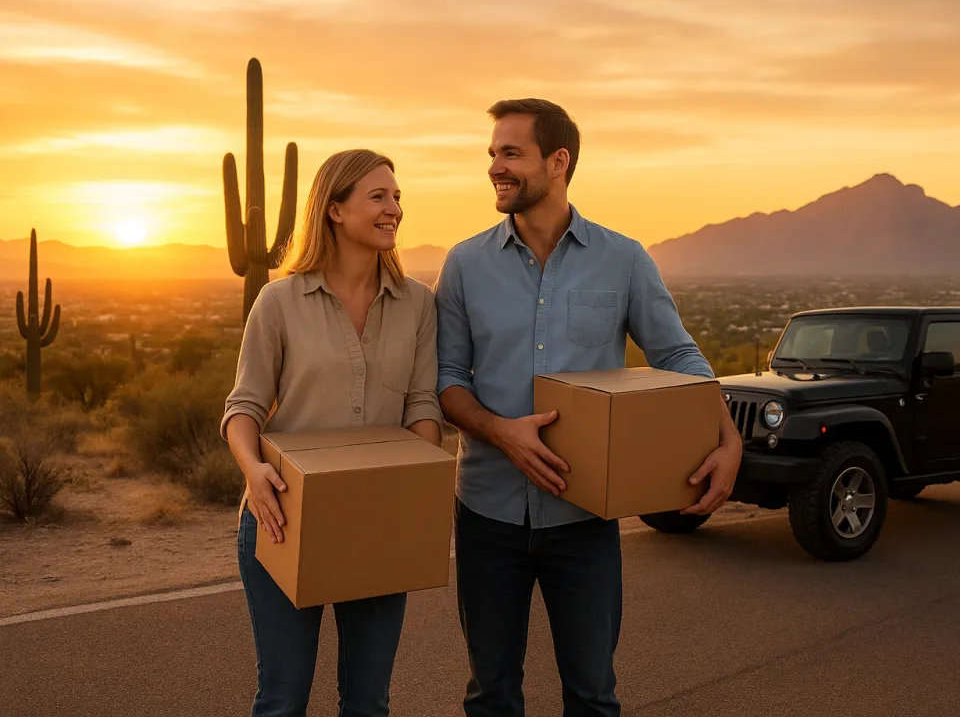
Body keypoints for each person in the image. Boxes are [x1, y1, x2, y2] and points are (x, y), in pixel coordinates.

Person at [434, 99, 743, 715]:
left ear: (559, 160)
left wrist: (728, 440)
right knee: (490, 694)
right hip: (488, 515)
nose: (495, 166)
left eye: (511, 153)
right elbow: (446, 381)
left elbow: (679, 357)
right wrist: (502, 433)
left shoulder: (623, 259)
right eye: (492, 153)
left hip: (585, 520)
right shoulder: (464, 265)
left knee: (594, 696)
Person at [221, 149, 443, 717]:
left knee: (368, 702)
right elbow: (243, 406)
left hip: (379, 518)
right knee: (282, 699)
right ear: (335, 210)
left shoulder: (418, 303)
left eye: (397, 197)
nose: (394, 208)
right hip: (283, 517)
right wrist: (255, 470)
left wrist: (415, 481)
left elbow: (423, 406)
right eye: (379, 196)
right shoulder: (279, 301)